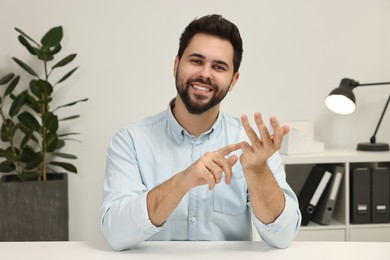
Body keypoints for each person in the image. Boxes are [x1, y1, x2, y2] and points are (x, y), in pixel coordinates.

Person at [101, 14, 301, 251]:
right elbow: (116, 233)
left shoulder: (252, 145)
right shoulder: (131, 141)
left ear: (233, 80)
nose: (205, 73)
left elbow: (284, 236)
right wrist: (181, 182)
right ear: (176, 65)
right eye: (196, 61)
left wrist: (258, 172)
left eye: (218, 66)